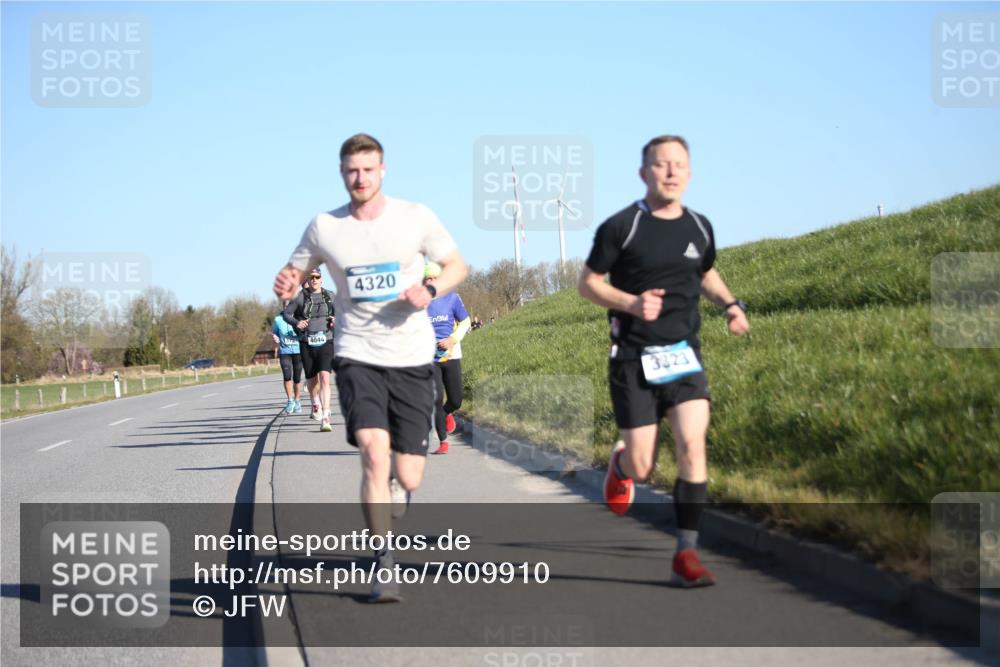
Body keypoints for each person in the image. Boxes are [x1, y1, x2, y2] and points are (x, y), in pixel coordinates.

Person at [273, 133, 467, 602]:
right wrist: (286, 282)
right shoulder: (325, 226)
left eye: (367, 169)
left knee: (411, 473)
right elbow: (295, 272)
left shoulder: (414, 217)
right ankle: (383, 562)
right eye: (351, 171)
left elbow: (456, 265)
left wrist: (433, 288)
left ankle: (402, 483)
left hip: (413, 356)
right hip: (358, 355)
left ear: (383, 171)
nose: (359, 178)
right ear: (342, 174)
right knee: (373, 455)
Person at [578, 135, 749, 588]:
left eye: (679, 164)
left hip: (683, 355)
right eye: (661, 164)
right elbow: (588, 283)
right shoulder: (622, 227)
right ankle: (621, 466)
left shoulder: (699, 226)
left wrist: (731, 306)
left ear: (690, 173)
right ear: (644, 173)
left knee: (693, 445)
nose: (671, 171)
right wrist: (631, 304)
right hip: (633, 357)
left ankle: (686, 553)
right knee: (642, 466)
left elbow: (706, 271)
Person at [424, 260, 471, 455]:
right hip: (428, 358)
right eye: (428, 279)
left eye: (435, 278)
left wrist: (452, 339)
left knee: (456, 400)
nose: (431, 282)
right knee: (435, 399)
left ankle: (447, 413)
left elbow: (466, 321)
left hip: (451, 355)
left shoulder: (452, 298)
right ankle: (443, 441)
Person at [282, 268, 336, 431]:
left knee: (325, 378)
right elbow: (287, 314)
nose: (314, 280)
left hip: (326, 340)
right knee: (312, 380)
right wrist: (296, 323)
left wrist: (336, 319)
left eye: (317, 277)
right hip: (307, 342)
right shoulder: (301, 296)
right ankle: (315, 404)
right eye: (311, 277)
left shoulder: (330, 296)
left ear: (321, 279)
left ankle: (325, 417)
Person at [272, 303, 303, 413]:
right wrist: (275, 337)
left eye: (290, 305)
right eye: (285, 305)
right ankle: (290, 401)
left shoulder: (299, 318)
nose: (287, 307)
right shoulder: (278, 319)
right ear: (283, 306)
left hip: (298, 351)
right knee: (287, 376)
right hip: (285, 352)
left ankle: (297, 400)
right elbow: (274, 333)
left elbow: (306, 332)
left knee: (297, 378)